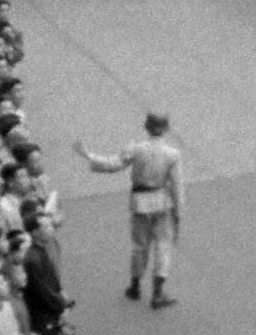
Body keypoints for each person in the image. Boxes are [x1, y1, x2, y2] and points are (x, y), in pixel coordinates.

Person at [76, 112, 184, 308]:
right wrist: (178, 211)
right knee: (163, 246)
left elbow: (113, 165)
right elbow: (176, 186)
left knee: (139, 246)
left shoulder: (136, 149)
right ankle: (158, 293)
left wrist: (89, 155)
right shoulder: (172, 154)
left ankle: (135, 286)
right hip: (161, 203)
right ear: (166, 129)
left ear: (146, 127)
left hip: (139, 202)